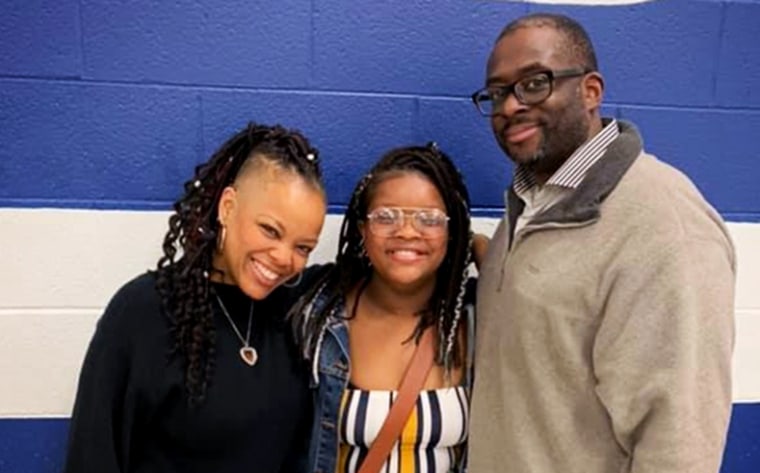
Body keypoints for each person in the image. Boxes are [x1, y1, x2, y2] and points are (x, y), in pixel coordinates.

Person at [467, 13, 735, 473]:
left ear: (591, 91)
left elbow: (679, 447)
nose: (509, 106)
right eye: (496, 93)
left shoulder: (664, 228)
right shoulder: (531, 203)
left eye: (534, 83)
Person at [64, 123, 327, 473]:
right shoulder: (144, 312)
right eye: (269, 230)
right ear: (228, 207)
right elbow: (93, 455)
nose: (283, 257)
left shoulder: (295, 313)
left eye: (303, 247)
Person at [292, 144, 476, 473]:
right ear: (362, 229)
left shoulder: (475, 321)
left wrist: (482, 250)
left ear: (452, 232)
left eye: (429, 219)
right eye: (386, 217)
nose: (406, 231)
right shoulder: (317, 316)